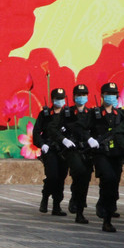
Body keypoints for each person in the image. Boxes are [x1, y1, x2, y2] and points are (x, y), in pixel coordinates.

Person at [89, 82, 124, 233]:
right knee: (108, 178)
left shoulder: (121, 115)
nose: (111, 97)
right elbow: (81, 127)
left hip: (116, 154)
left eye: (114, 94)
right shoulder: (94, 114)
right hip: (101, 153)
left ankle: (107, 209)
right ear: (102, 95)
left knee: (113, 184)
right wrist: (89, 139)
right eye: (108, 94)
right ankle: (106, 218)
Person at [51, 84, 95, 224]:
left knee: (85, 178)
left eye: (84, 95)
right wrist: (63, 140)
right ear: (74, 97)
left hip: (87, 150)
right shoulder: (67, 113)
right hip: (72, 149)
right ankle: (78, 209)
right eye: (78, 95)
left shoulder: (91, 113)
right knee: (79, 172)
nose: (81, 97)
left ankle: (78, 204)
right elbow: (53, 128)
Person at [33, 88, 70, 216]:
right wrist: (42, 144)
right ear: (52, 99)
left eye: (62, 98)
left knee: (61, 177)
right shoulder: (45, 114)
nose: (60, 101)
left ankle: (56, 206)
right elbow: (36, 132)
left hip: (63, 149)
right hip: (49, 149)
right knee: (52, 176)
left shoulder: (68, 114)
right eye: (57, 98)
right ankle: (45, 197)